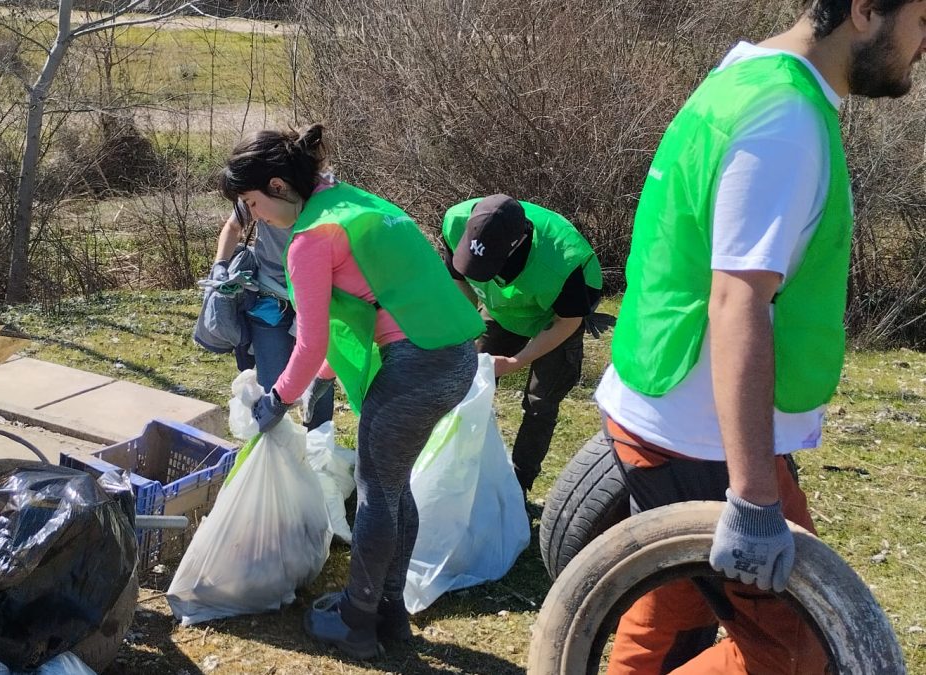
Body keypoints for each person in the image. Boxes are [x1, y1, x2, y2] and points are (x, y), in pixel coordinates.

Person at [595, 0, 926, 672]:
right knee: (801, 654)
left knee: (675, 602)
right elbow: (737, 299)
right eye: (924, 22)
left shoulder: (744, 72)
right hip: (702, 438)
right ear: (865, 11)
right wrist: (751, 499)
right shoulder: (785, 120)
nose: (925, 46)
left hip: (665, 405)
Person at [219, 123, 484, 659]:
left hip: (420, 365)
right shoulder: (348, 201)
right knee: (392, 486)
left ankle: (357, 621)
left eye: (252, 204)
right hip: (454, 352)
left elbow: (312, 342)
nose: (256, 219)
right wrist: (310, 382)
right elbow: (361, 312)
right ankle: (388, 610)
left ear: (275, 185)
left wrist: (276, 401)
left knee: (374, 489)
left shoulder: (311, 239)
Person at [441, 195, 604, 495]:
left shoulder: (566, 262)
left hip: (555, 316)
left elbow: (566, 322)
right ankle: (457, 470)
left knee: (541, 402)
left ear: (517, 245)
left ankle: (519, 485)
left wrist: (518, 360)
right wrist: (466, 329)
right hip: (501, 307)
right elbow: (460, 281)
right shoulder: (455, 221)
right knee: (467, 381)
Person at [208, 202, 334, 429]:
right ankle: (274, 450)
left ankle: (319, 448)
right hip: (270, 298)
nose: (256, 210)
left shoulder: (321, 193)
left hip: (315, 296)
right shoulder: (257, 191)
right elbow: (233, 226)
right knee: (273, 389)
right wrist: (220, 264)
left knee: (317, 385)